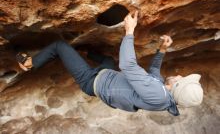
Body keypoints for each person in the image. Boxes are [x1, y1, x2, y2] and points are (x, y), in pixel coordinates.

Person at [17, 11, 203, 116]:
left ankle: (30, 63)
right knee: (108, 60)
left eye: (181, 78)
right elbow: (154, 71)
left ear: (175, 86)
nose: (179, 75)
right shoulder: (163, 92)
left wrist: (129, 30)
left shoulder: (158, 96)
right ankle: (84, 52)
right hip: (108, 75)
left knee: (59, 45)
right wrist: (162, 48)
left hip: (93, 82)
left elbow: (128, 65)